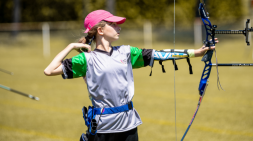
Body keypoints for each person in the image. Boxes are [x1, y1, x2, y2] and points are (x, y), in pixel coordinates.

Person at [44, 10, 217, 141]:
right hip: (103, 128)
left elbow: (160, 54)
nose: (119, 27)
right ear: (100, 30)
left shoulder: (126, 52)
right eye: (113, 24)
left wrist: (196, 52)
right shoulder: (85, 59)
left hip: (129, 125)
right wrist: (70, 46)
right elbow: (49, 70)